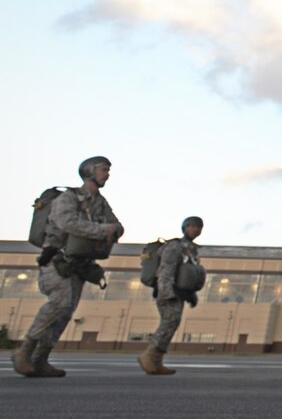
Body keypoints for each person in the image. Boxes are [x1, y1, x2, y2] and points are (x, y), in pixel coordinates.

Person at [16, 155, 123, 379]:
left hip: (79, 264)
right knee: (59, 303)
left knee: (66, 312)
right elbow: (67, 223)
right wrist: (103, 231)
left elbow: (117, 225)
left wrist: (114, 230)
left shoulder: (100, 202)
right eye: (104, 169)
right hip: (57, 260)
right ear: (89, 171)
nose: (107, 174)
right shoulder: (69, 197)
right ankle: (24, 352)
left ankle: (40, 359)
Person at [141, 216, 204, 376]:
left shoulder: (191, 249)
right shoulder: (174, 247)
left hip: (179, 293)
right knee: (168, 323)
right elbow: (166, 271)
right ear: (185, 227)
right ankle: (149, 357)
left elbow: (188, 273)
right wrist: (166, 293)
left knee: (172, 324)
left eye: (199, 227)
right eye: (193, 226)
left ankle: (156, 361)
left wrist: (191, 294)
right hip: (168, 292)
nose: (196, 229)